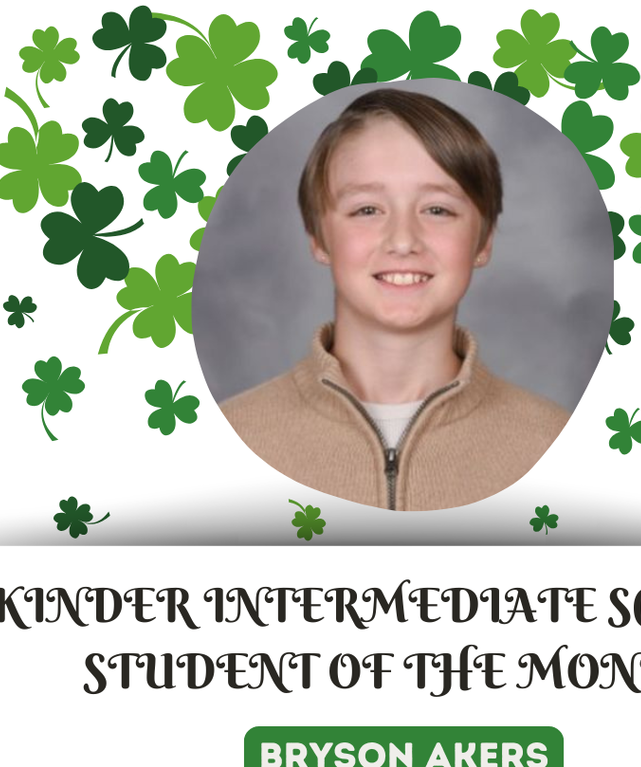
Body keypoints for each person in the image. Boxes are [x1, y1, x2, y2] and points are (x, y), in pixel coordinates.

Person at [219, 87, 569, 511]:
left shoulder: (558, 444)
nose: (403, 241)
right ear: (318, 237)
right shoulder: (227, 437)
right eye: (367, 210)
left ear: (483, 241)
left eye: (437, 210)